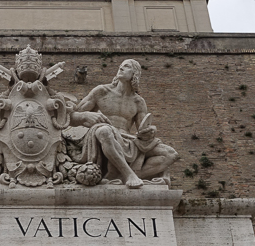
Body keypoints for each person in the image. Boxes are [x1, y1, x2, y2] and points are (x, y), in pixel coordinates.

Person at [70, 59, 179, 187]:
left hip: (127, 140)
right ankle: (129, 175)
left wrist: (150, 132)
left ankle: (121, 176)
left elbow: (142, 131)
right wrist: (85, 115)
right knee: (104, 131)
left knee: (171, 154)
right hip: (101, 136)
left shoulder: (138, 102)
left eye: (126, 66)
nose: (120, 68)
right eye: (120, 66)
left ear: (135, 74)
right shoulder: (101, 91)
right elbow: (72, 117)